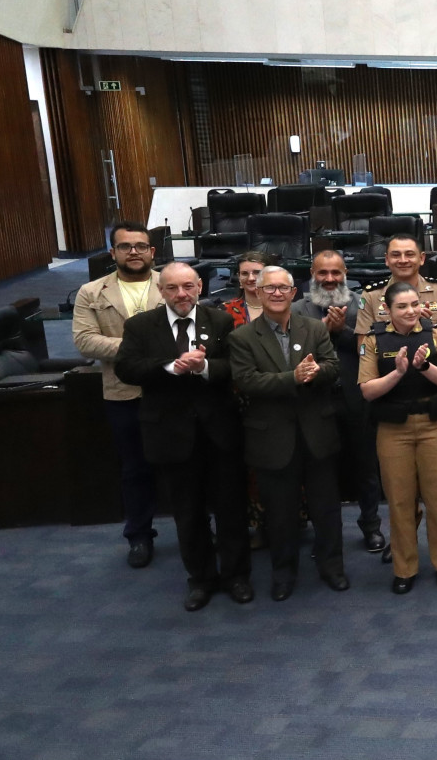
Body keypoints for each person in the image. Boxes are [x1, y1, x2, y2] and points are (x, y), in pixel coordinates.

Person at [112, 262, 249, 610]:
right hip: (171, 435)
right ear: (162, 291)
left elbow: (237, 366)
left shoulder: (219, 320)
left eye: (188, 286)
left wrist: (204, 368)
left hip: (219, 433)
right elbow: (126, 368)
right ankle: (201, 579)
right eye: (172, 288)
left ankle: (236, 576)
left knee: (231, 509)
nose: (181, 294)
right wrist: (171, 367)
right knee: (188, 514)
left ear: (200, 286)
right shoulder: (141, 326)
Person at [229, 267, 348, 600]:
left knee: (327, 510)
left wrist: (317, 372)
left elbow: (334, 366)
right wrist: (293, 377)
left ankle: (332, 567)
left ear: (295, 293)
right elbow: (248, 381)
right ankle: (283, 574)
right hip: (272, 439)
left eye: (284, 288)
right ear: (258, 292)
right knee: (280, 513)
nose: (277, 294)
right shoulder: (242, 337)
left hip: (317, 433)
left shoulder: (314, 328)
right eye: (270, 289)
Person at [359, 232, 437, 557]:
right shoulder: (372, 296)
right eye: (396, 254)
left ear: (421, 258)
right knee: (400, 483)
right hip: (391, 395)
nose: (403, 260)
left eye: (410, 254)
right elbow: (365, 345)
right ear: (387, 260)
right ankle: (404, 540)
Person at [72, 221, 162, 568]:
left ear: (152, 252)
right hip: (123, 392)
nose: (134, 252)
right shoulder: (91, 292)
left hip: (170, 389)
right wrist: (137, 347)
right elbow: (84, 340)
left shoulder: (171, 284)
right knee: (134, 469)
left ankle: (196, 529)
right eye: (125, 247)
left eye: (140, 246)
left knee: (185, 463)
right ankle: (139, 535)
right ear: (113, 253)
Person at [308, 249, 385, 554]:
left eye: (335, 273)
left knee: (366, 468)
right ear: (312, 274)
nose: (329, 279)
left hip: (357, 399)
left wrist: (341, 332)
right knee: (320, 473)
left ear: (345, 274)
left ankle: (371, 527)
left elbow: (374, 346)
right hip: (316, 401)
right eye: (322, 273)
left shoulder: (363, 304)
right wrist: (324, 331)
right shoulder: (300, 307)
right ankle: (326, 534)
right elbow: (292, 350)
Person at [207, 250, 268, 326]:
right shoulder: (226, 310)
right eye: (244, 273)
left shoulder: (282, 308)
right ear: (239, 278)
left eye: (257, 272)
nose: (251, 278)